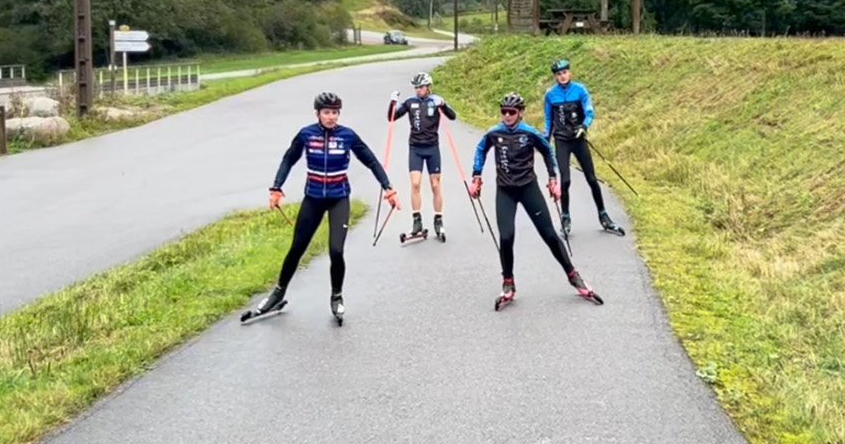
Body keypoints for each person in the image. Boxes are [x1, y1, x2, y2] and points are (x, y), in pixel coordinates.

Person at [241, 91, 399, 326]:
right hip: (313, 198)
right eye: (327, 112)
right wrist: (276, 188)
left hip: (339, 198)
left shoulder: (347, 135)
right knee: (296, 248)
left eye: (335, 112)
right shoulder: (306, 135)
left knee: (336, 250)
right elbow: (288, 159)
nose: (331, 117)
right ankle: (278, 293)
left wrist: (388, 188)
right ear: (317, 114)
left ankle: (336, 295)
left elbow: (371, 160)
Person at [470, 92, 602, 310]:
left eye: (511, 112)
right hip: (505, 191)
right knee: (506, 236)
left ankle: (573, 276)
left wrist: (553, 179)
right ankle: (508, 283)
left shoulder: (529, 133)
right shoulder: (494, 133)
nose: (507, 116)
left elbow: (548, 152)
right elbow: (481, 149)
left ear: (521, 113)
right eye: (503, 112)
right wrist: (476, 177)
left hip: (528, 188)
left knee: (549, 234)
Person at [542, 58, 623, 238]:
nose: (562, 76)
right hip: (561, 140)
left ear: (569, 72)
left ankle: (603, 215)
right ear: (555, 76)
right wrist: (544, 139)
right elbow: (548, 120)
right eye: (558, 74)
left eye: (564, 73)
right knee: (565, 181)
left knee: (592, 179)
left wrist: (584, 126)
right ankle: (565, 217)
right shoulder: (550, 94)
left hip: (578, 139)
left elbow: (589, 111)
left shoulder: (580, 90)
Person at [388, 72, 458, 243]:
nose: (418, 90)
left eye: (421, 87)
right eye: (416, 87)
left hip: (432, 147)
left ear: (428, 87)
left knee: (435, 184)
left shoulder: (434, 100)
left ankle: (438, 220)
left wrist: (444, 104)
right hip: (416, 148)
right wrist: (392, 102)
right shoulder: (410, 102)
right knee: (415, 183)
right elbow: (392, 117)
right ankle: (416, 222)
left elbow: (452, 116)